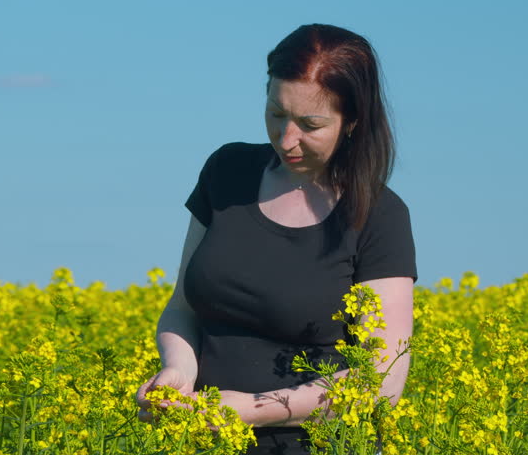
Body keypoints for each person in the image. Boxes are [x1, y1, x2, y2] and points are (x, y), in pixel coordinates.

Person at [136, 23, 417, 455]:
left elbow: (381, 382)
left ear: (353, 121)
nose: (287, 140)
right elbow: (183, 309)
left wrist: (252, 409)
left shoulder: (380, 215)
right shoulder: (227, 172)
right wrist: (178, 369)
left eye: (310, 124)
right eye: (276, 113)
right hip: (202, 442)